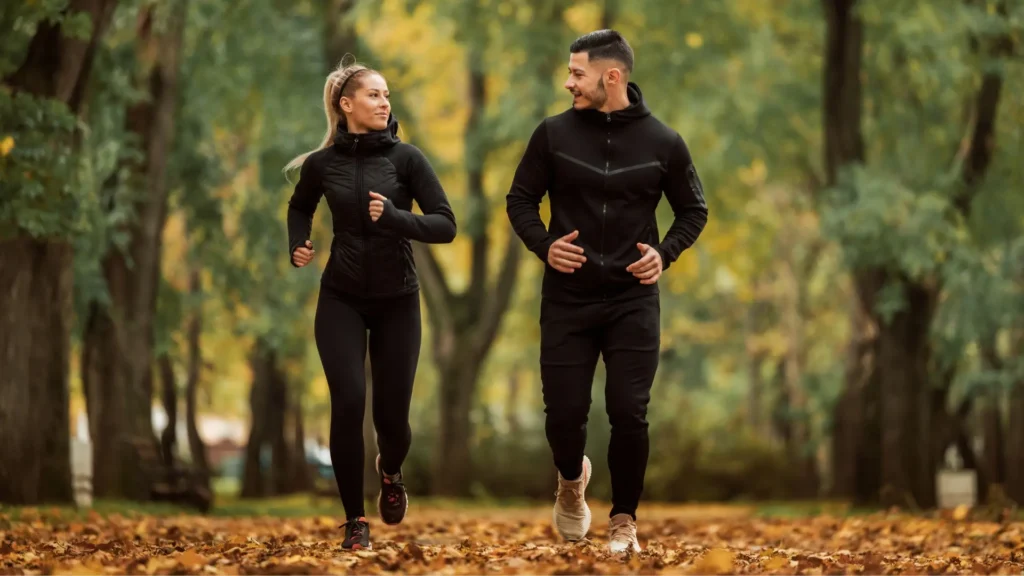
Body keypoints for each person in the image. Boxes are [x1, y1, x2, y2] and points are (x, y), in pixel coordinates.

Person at [505, 30, 708, 553]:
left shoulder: (664, 142)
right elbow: (520, 201)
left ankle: (624, 522)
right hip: (567, 298)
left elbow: (693, 211)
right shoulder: (551, 135)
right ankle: (572, 482)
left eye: (577, 73)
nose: (568, 81)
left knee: (628, 410)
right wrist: (544, 245)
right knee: (564, 416)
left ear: (610, 76)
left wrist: (664, 253)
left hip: (631, 299)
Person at [284, 58, 457, 551]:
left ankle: (391, 468)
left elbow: (446, 224)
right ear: (347, 105)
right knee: (349, 400)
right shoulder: (322, 164)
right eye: (374, 95)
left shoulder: (408, 160)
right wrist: (298, 242)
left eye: (386, 96)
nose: (385, 103)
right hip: (341, 295)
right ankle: (354, 521)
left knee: (392, 419)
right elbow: (300, 204)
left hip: (397, 300)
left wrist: (398, 218)